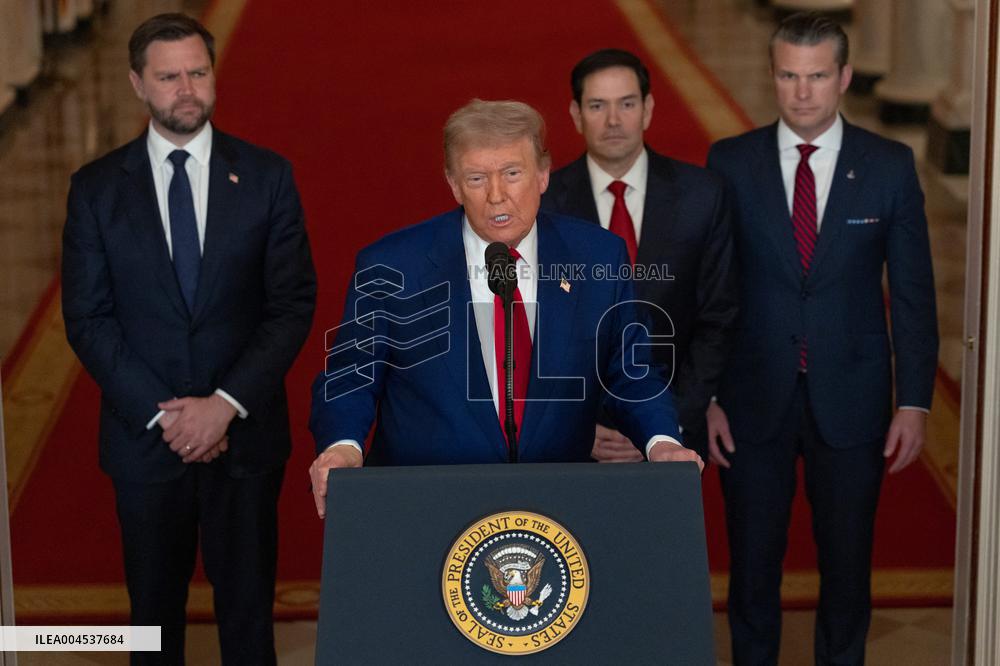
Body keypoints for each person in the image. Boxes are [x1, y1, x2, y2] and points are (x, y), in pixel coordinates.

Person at [61, 13, 316, 665]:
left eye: (197, 72)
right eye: (168, 76)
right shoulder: (95, 190)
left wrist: (224, 404)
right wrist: (168, 417)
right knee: (151, 623)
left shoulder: (267, 177)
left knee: (249, 618)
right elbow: (88, 318)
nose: (186, 89)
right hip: (146, 443)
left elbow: (291, 305)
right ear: (137, 84)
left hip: (246, 439)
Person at [308, 99, 702, 517]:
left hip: (557, 507)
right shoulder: (392, 265)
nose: (496, 196)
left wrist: (663, 442)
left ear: (544, 174)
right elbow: (350, 376)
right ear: (454, 185)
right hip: (425, 509)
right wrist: (342, 447)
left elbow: (632, 371)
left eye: (512, 174)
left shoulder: (596, 257)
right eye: (477, 178)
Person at [705, 13, 938, 665]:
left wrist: (915, 402)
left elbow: (914, 295)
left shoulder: (890, 166)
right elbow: (712, 292)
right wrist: (711, 397)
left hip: (854, 400)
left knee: (846, 573)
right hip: (752, 402)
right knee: (751, 573)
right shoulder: (731, 161)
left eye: (815, 77)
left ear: (843, 78)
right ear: (773, 77)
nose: (801, 92)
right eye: (787, 76)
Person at [541, 48, 738, 464]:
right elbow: (531, 331)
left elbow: (717, 318)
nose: (614, 120)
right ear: (576, 114)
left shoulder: (703, 195)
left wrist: (661, 430)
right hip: (573, 445)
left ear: (647, 109)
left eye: (627, 104)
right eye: (598, 105)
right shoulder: (543, 207)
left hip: (674, 441)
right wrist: (573, 428)